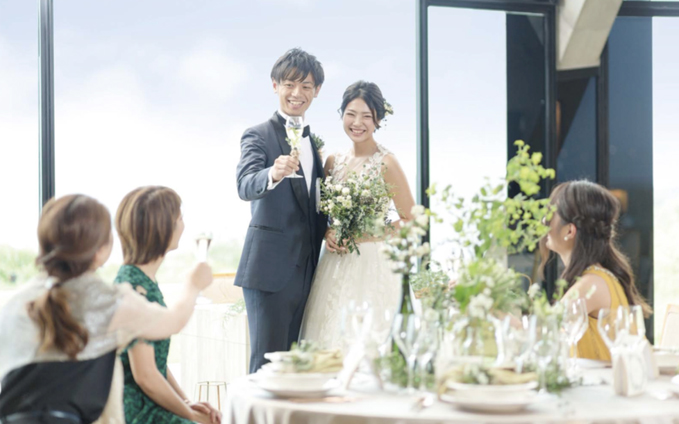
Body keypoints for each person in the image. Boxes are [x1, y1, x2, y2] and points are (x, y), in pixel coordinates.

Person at [0, 194, 212, 424]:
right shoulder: (108, 302)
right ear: (101, 250)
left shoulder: (14, 305)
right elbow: (173, 321)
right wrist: (193, 284)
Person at [299, 81, 416, 349]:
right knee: (327, 337)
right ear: (342, 115)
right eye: (351, 114)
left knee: (368, 342)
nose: (357, 123)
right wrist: (328, 232)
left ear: (378, 119)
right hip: (333, 264)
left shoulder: (387, 163)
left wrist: (371, 233)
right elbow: (322, 214)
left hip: (373, 264)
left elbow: (413, 219)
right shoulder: (332, 161)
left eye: (366, 116)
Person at [235, 48, 327, 373]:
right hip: (269, 273)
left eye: (306, 86)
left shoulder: (313, 144)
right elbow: (245, 185)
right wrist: (272, 174)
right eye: (289, 84)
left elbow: (314, 206)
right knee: (265, 369)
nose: (297, 93)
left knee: (292, 371)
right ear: (275, 85)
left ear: (317, 90)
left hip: (307, 275)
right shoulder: (257, 135)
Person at [114, 186, 221, 424]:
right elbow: (145, 377)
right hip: (140, 412)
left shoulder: (141, 279)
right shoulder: (135, 287)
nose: (183, 225)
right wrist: (190, 415)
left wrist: (186, 402)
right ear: (162, 227)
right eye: (180, 218)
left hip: (151, 404)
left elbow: (155, 364)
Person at [540, 180, 651, 361]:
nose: (544, 221)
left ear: (569, 231)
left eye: (551, 213)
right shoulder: (597, 276)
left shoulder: (591, 284)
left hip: (604, 380)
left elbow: (544, 336)